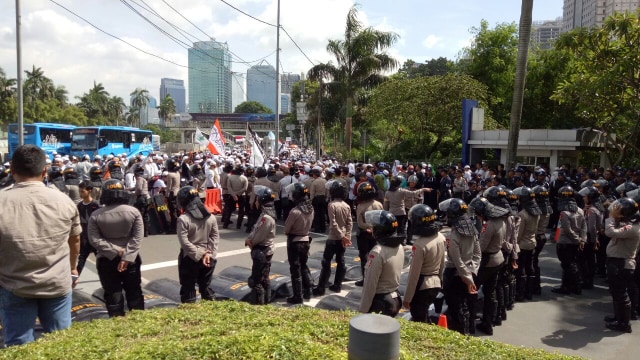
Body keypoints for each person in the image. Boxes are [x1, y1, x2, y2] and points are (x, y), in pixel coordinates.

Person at [0, 145, 81, 346]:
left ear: (13, 171)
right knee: (61, 344)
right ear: (44, 171)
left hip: (14, 284)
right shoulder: (64, 201)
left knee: (19, 345)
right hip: (57, 284)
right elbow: (75, 240)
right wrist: (72, 268)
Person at [88, 179, 144, 317]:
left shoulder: (96, 215)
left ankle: (117, 322)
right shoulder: (134, 212)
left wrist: (115, 251)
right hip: (131, 259)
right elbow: (137, 238)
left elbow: (94, 240)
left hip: (106, 259)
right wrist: (126, 256)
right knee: (134, 292)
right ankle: (139, 322)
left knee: (113, 294)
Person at [468, 197, 510, 335]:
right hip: (498, 258)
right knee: (490, 292)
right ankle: (489, 321)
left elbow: (482, 246)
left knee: (472, 290)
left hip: (487, 260)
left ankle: (471, 322)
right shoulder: (502, 221)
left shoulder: (489, 224)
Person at [439, 198, 480, 335]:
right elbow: (477, 254)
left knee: (456, 308)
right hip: (468, 271)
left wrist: (465, 276)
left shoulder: (454, 234)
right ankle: (467, 331)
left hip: (455, 275)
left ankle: (460, 334)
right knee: (464, 306)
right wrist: (471, 272)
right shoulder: (472, 230)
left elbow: (456, 260)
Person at [402, 204, 446, 323]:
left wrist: (407, 298)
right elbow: (442, 264)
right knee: (425, 314)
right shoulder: (440, 237)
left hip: (423, 285)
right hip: (435, 283)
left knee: (419, 318)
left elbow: (413, 275)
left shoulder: (419, 245)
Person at [603, 198, 640, 333]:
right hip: (618, 262)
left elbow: (610, 232)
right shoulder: (631, 224)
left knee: (621, 294)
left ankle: (624, 324)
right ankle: (619, 317)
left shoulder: (632, 228)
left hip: (621, 263)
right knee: (616, 293)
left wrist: (611, 217)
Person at [176, 186, 219, 303]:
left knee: (188, 290)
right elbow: (214, 238)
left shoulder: (183, 219)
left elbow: (184, 242)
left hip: (190, 258)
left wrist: (200, 253)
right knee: (206, 287)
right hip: (209, 258)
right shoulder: (211, 217)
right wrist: (209, 253)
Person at [359, 210, 405, 317]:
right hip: (395, 298)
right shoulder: (400, 247)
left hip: (381, 302)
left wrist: (363, 309)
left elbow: (370, 284)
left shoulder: (377, 252)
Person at [313, 181, 353, 296]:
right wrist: (347, 237)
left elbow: (333, 224)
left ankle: (321, 287)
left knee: (326, 262)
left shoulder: (332, 205)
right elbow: (349, 223)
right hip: (343, 238)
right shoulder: (347, 205)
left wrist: (341, 236)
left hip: (333, 237)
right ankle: (338, 285)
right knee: (341, 261)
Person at [551, 185, 587, 296]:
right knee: (571, 264)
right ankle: (568, 286)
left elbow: (566, 229)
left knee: (568, 265)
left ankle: (573, 286)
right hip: (575, 242)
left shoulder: (564, 213)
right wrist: (582, 240)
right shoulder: (580, 211)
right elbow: (583, 226)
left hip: (565, 242)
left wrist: (577, 240)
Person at [245, 185, 277, 305]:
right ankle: (266, 302)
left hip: (262, 250)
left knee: (257, 281)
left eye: (258, 198)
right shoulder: (266, 214)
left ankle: (259, 305)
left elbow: (258, 236)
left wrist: (250, 241)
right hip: (265, 250)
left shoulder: (266, 217)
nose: (256, 201)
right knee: (264, 279)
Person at [283, 183, 314, 304]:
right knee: (304, 266)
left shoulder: (295, 211)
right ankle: (308, 291)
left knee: (295, 269)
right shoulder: (311, 209)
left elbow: (286, 229)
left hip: (295, 241)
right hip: (306, 240)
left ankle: (298, 296)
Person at [514, 186, 541, 301]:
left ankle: (520, 293)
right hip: (532, 242)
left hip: (523, 244)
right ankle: (529, 293)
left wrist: (516, 244)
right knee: (531, 268)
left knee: (521, 270)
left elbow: (519, 233)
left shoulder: (523, 214)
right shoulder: (537, 212)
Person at [355, 181, 384, 286]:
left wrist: (368, 227)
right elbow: (382, 219)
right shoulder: (379, 204)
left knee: (364, 257)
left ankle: (366, 279)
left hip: (364, 234)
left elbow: (360, 223)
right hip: (376, 233)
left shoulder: (360, 206)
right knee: (376, 256)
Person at [578, 186, 604, 290]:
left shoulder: (592, 211)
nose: (584, 198)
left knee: (584, 261)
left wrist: (593, 241)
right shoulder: (597, 208)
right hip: (593, 237)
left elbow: (592, 228)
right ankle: (588, 281)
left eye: (586, 196)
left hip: (589, 237)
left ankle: (586, 281)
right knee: (590, 260)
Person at [77, 181, 101, 276]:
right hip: (85, 238)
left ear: (89, 191)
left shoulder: (96, 205)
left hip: (95, 238)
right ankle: (75, 278)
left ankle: (106, 280)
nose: (80, 194)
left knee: (100, 260)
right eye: (79, 191)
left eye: (82, 191)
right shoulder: (80, 205)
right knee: (81, 259)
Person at [532, 185, 553, 295]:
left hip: (536, 236)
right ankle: (536, 286)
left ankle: (534, 286)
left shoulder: (538, 211)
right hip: (542, 236)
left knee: (532, 262)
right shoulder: (547, 209)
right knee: (534, 261)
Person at [133, 164, 151, 237]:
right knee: (145, 215)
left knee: (140, 215)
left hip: (142, 198)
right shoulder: (143, 178)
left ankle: (140, 232)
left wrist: (135, 194)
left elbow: (139, 189)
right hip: (147, 198)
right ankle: (145, 232)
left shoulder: (139, 178)